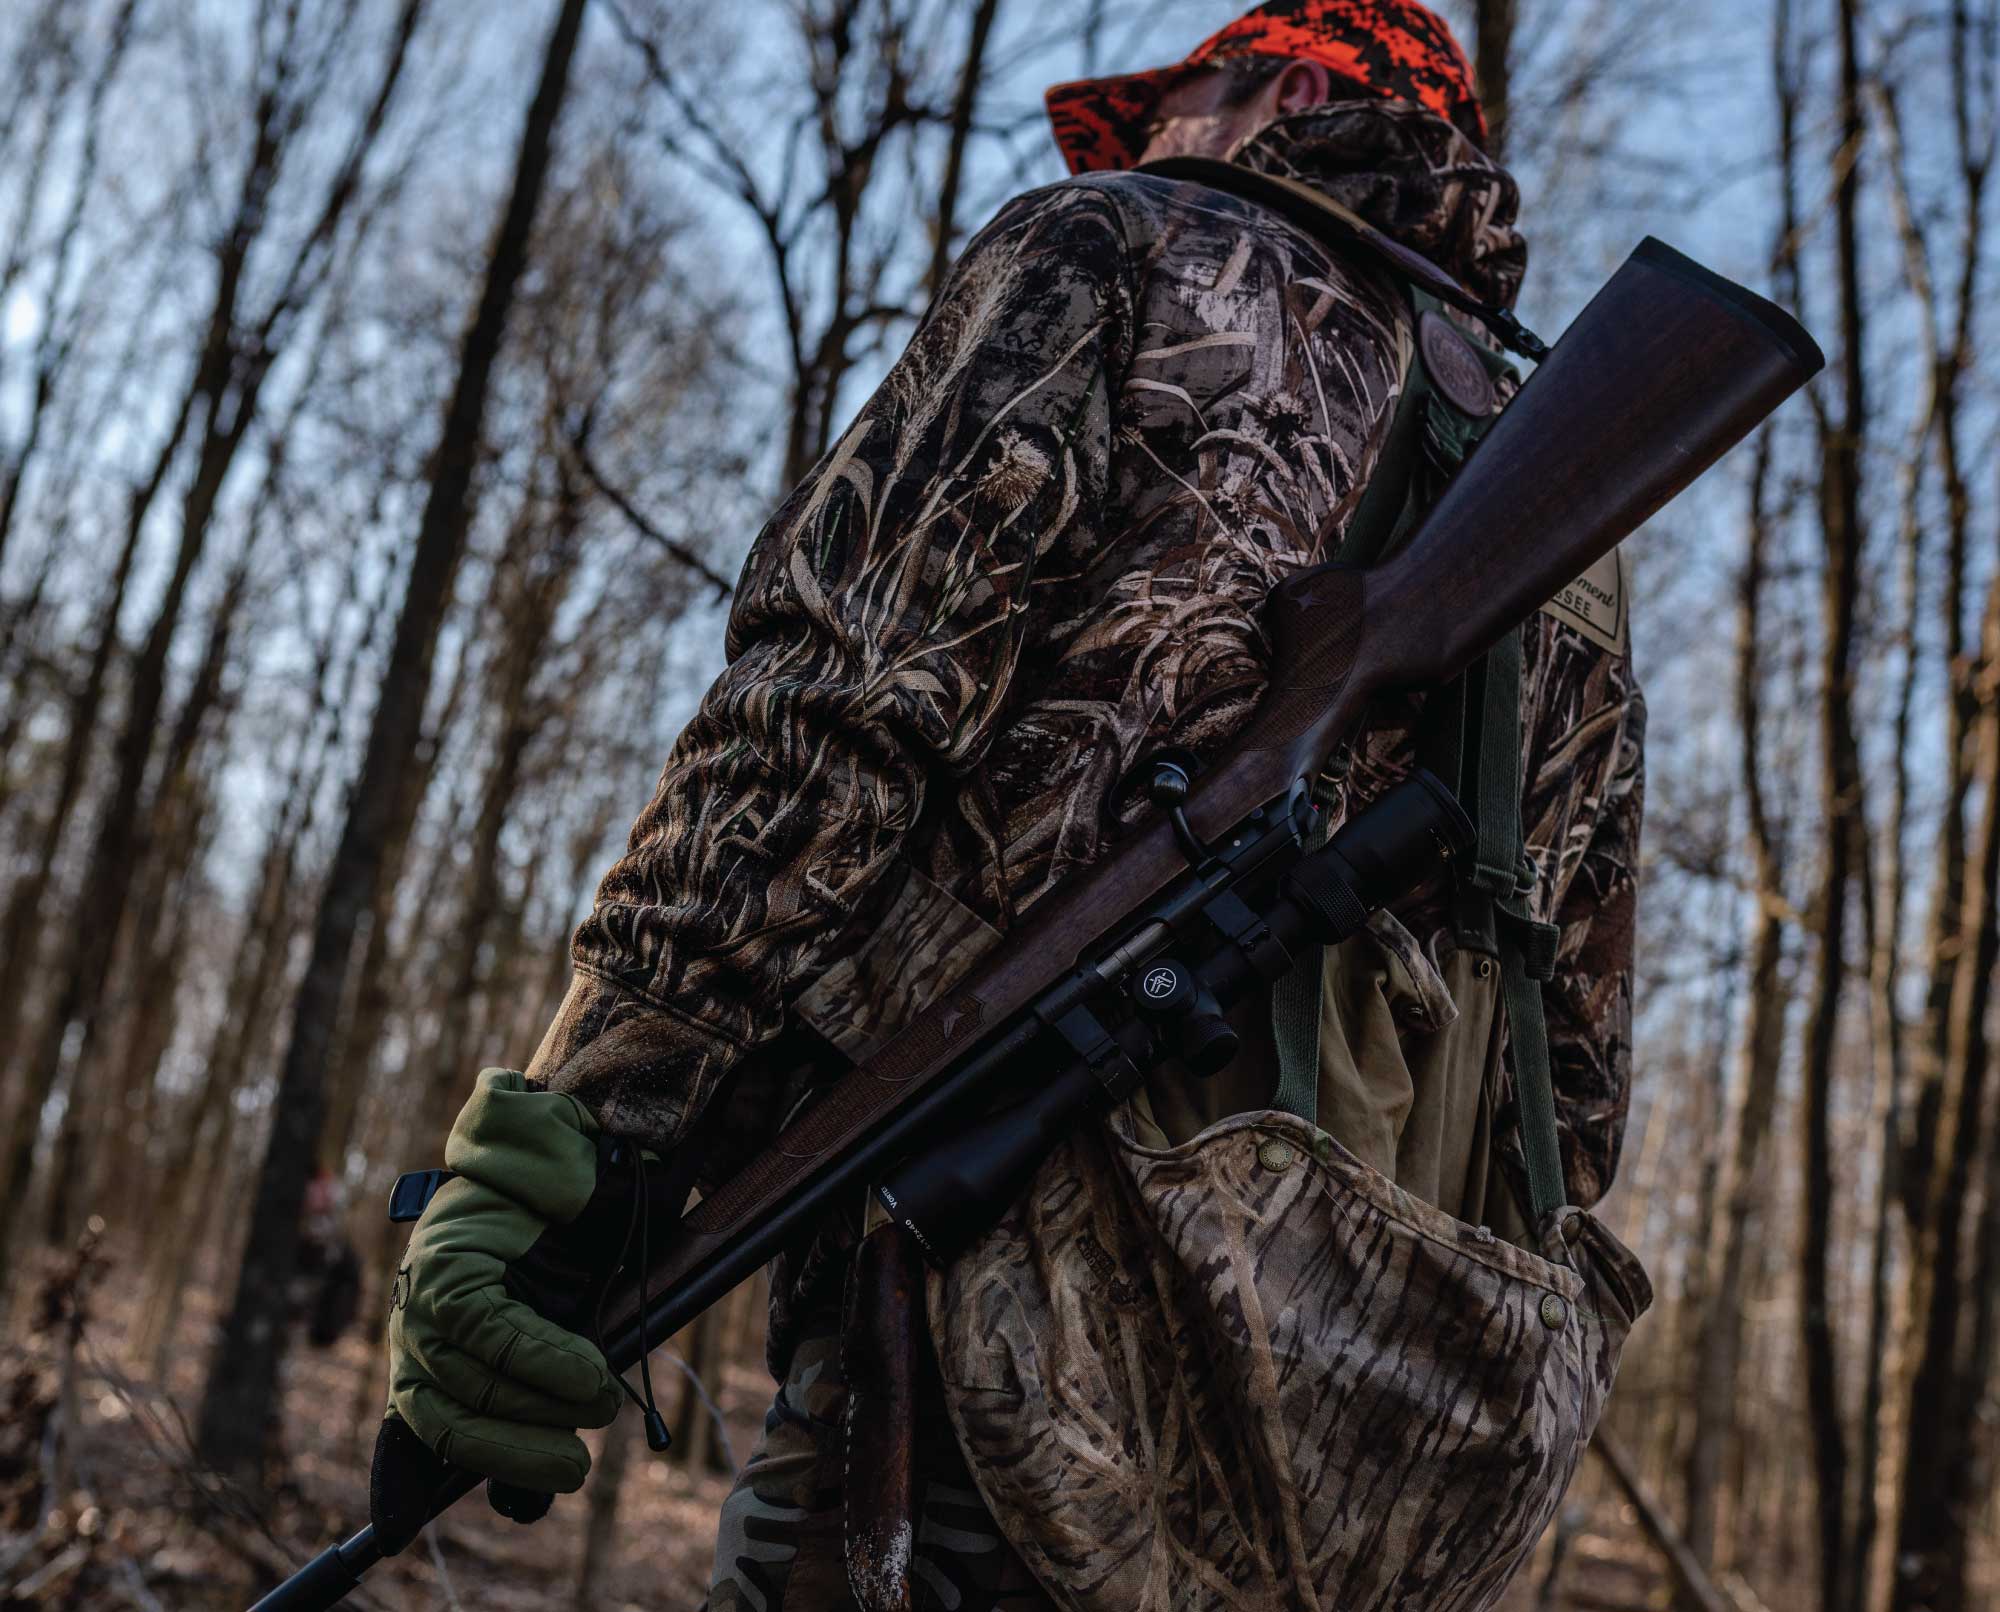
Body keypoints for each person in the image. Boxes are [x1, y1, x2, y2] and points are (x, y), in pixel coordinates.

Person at [376, 4, 1652, 1608]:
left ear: (1286, 88)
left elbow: (837, 702)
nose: (1145, 149)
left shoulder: (1125, 247)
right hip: (1351, 1432)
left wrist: (591, 1122)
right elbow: (1581, 1083)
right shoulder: (1582, 524)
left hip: (1010, 1330)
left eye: (1174, 103)